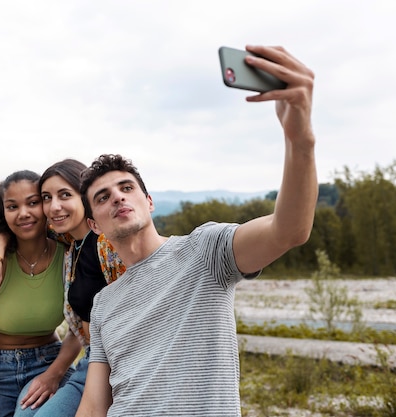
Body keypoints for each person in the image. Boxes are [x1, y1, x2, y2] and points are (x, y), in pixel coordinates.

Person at [75, 45, 317, 417]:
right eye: (103, 197)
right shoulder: (104, 304)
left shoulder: (205, 251)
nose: (118, 199)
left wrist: (300, 140)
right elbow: (93, 404)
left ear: (149, 201)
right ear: (93, 224)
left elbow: (288, 230)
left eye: (127, 188)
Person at [0, 159, 125, 416]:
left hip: (115, 365)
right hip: (89, 362)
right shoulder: (68, 243)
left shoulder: (107, 245)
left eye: (64, 195)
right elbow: (21, 227)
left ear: (84, 196)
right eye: (46, 198)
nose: (54, 206)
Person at [0, 170, 81, 417]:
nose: (23, 213)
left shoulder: (68, 255)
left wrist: (54, 374)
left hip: (50, 362)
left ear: (46, 206)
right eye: (12, 206)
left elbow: (77, 329)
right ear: (2, 212)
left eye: (33, 202)